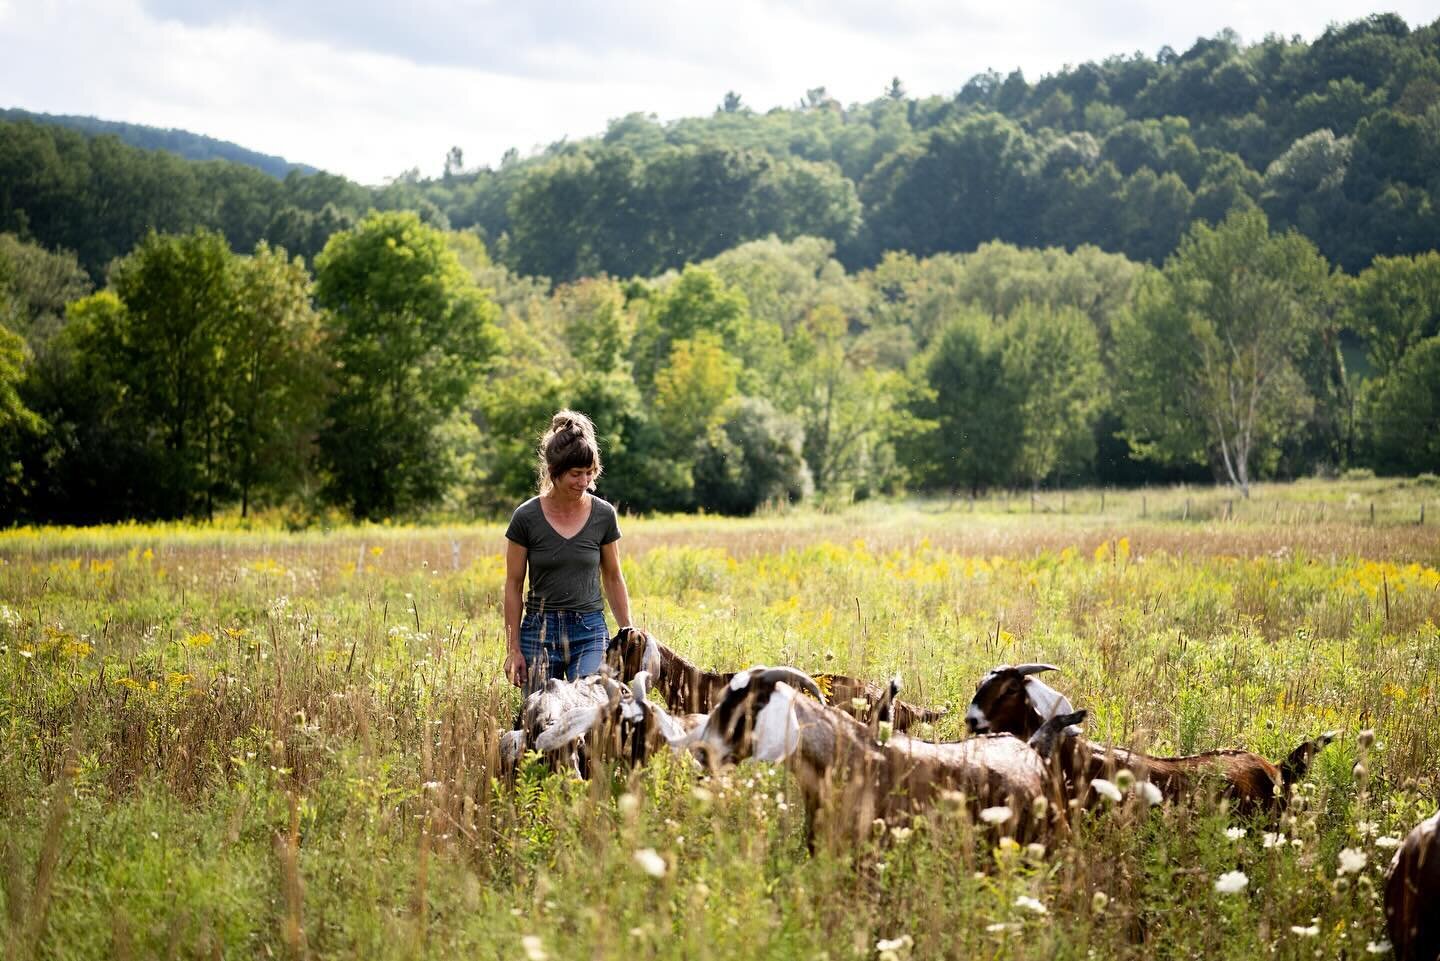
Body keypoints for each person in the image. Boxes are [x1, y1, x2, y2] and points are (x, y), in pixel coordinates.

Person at [503, 410, 633, 691]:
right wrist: (513, 650)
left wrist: (628, 633)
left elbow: (612, 576)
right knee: (538, 720)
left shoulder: (603, 515)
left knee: (587, 712)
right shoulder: (526, 517)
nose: (584, 481)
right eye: (576, 474)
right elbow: (513, 585)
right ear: (554, 472)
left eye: (589, 473)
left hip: (589, 632)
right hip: (538, 634)